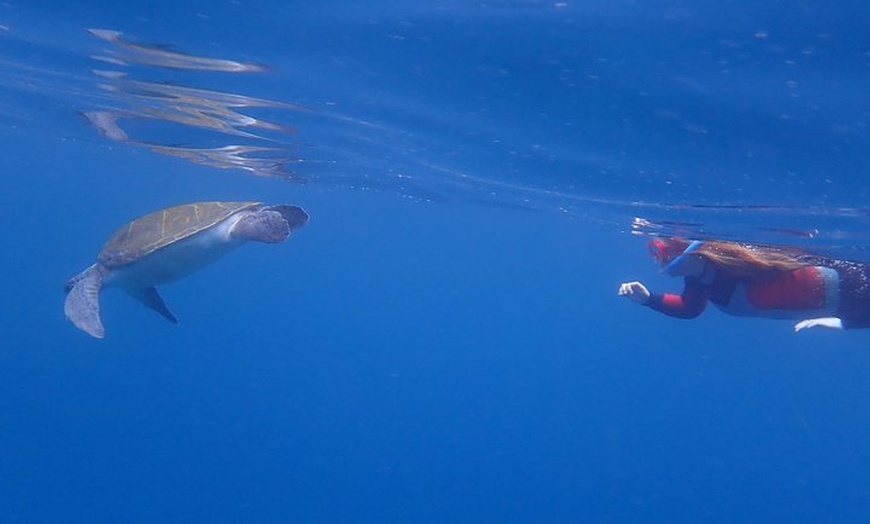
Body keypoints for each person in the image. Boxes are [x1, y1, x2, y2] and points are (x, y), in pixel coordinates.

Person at [618, 237, 870, 331]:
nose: (659, 262)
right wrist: (648, 299)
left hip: (852, 289)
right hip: (843, 304)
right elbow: (690, 308)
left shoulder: (739, 259)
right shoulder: (698, 279)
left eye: (664, 254)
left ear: (693, 253)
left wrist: (844, 323)